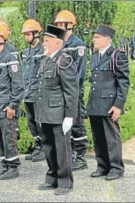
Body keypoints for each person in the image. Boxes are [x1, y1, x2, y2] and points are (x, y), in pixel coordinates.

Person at [35, 25, 78, 195]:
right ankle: (52, 177)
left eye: (47, 41)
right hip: (45, 113)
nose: (43, 44)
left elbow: (71, 91)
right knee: (48, 147)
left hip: (58, 114)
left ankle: (65, 182)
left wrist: (69, 116)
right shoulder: (46, 60)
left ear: (58, 43)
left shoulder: (64, 61)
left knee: (62, 149)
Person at [87, 24, 130, 181]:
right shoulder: (94, 56)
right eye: (94, 37)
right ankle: (103, 166)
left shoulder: (117, 56)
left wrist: (118, 105)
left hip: (109, 104)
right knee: (98, 136)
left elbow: (123, 82)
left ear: (107, 39)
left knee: (111, 137)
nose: (94, 40)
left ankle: (116, 168)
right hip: (95, 102)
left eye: (97, 37)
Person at [0, 22, 24, 180]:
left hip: (5, 107)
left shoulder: (10, 58)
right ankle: (4, 165)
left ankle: (13, 167)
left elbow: (18, 86)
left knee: (8, 137)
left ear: (0, 38)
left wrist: (12, 105)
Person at [54, 10, 88, 171]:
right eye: (58, 24)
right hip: (61, 90)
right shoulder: (59, 43)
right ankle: (71, 152)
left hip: (73, 91)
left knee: (77, 122)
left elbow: (80, 72)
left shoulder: (78, 44)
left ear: (70, 25)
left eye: (62, 24)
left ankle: (80, 156)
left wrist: (72, 91)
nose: (59, 27)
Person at [21, 19, 45, 162]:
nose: (26, 37)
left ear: (36, 34)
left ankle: (44, 148)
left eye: (28, 34)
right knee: (31, 122)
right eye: (24, 35)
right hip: (28, 92)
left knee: (40, 122)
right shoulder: (25, 52)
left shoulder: (43, 50)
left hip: (38, 93)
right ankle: (37, 147)